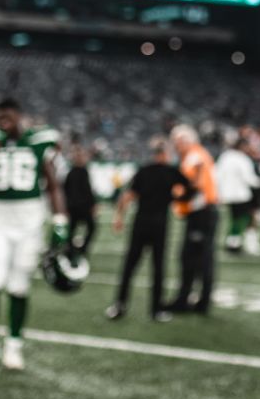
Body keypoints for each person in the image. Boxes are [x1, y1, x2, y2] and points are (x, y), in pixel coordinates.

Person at [0, 99, 66, 375]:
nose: (2, 120)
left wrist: (60, 220)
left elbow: (53, 183)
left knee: (19, 286)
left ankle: (13, 346)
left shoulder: (38, 140)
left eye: (7, 115)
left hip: (29, 220)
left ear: (19, 115)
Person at [106, 139, 193, 322]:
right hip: (159, 224)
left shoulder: (144, 170)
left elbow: (127, 196)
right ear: (166, 154)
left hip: (141, 222)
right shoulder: (172, 171)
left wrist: (118, 217)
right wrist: (177, 199)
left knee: (130, 266)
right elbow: (189, 190)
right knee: (158, 268)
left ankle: (120, 305)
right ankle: (156, 310)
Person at [168, 125, 220, 314]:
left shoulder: (194, 157)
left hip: (201, 214)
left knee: (194, 258)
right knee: (199, 258)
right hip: (204, 212)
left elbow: (194, 187)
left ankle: (188, 300)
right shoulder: (199, 155)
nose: (175, 146)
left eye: (177, 142)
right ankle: (197, 300)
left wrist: (175, 196)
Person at [216, 134, 260, 255]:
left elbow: (217, 175)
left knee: (234, 218)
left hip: (226, 194)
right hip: (240, 195)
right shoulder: (242, 158)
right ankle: (234, 242)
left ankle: (231, 241)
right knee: (242, 219)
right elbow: (249, 178)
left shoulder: (224, 156)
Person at [63, 145, 98, 256]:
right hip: (82, 207)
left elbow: (65, 190)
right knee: (91, 227)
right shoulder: (82, 171)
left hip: (73, 206)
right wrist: (93, 205)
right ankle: (80, 249)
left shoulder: (71, 172)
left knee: (72, 230)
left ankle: (70, 249)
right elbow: (87, 190)